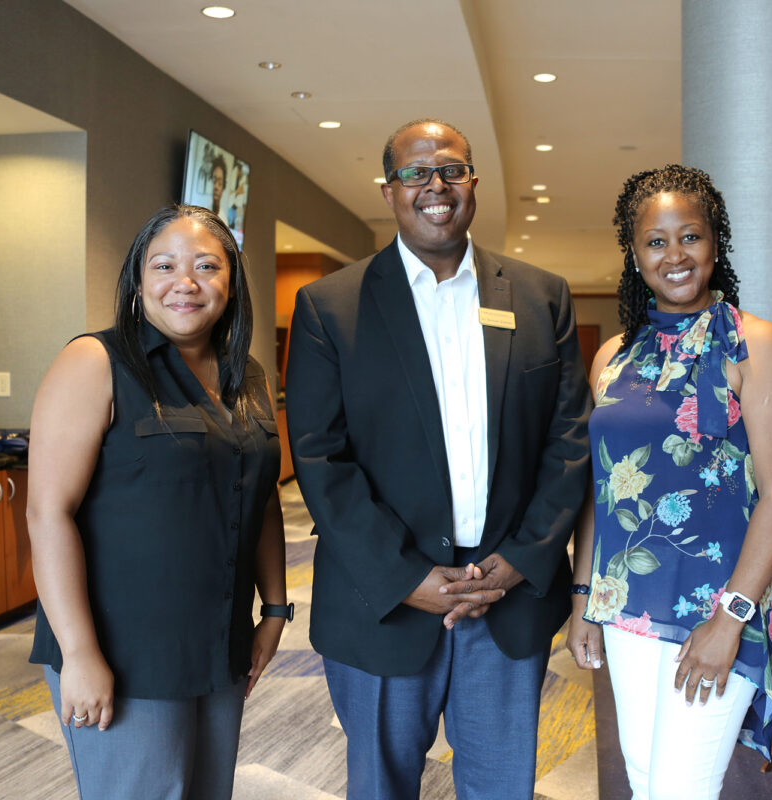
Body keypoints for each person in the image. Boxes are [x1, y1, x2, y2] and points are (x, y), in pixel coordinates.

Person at [285, 118, 590, 800]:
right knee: (381, 786)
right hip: (385, 602)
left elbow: (569, 438)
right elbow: (319, 458)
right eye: (416, 173)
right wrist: (406, 576)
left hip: (506, 597)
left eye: (451, 170)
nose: (436, 187)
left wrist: (523, 558)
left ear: (474, 182)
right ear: (389, 189)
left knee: (501, 787)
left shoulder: (542, 297)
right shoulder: (330, 306)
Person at [27, 204, 288, 799]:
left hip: (218, 637)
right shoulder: (95, 361)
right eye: (164, 265)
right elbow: (48, 513)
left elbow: (259, 495)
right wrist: (81, 654)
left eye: (206, 265)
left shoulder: (246, 375)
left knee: (205, 791)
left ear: (231, 280)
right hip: (125, 647)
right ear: (137, 279)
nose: (185, 282)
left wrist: (273, 608)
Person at [565, 164, 772, 799]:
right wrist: (584, 596)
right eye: (656, 241)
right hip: (624, 605)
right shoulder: (614, 356)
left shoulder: (757, 345)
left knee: (679, 791)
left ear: (715, 243)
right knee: (645, 783)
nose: (675, 256)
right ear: (634, 254)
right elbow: (604, 487)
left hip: (719, 603)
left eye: (690, 236)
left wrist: (731, 618)